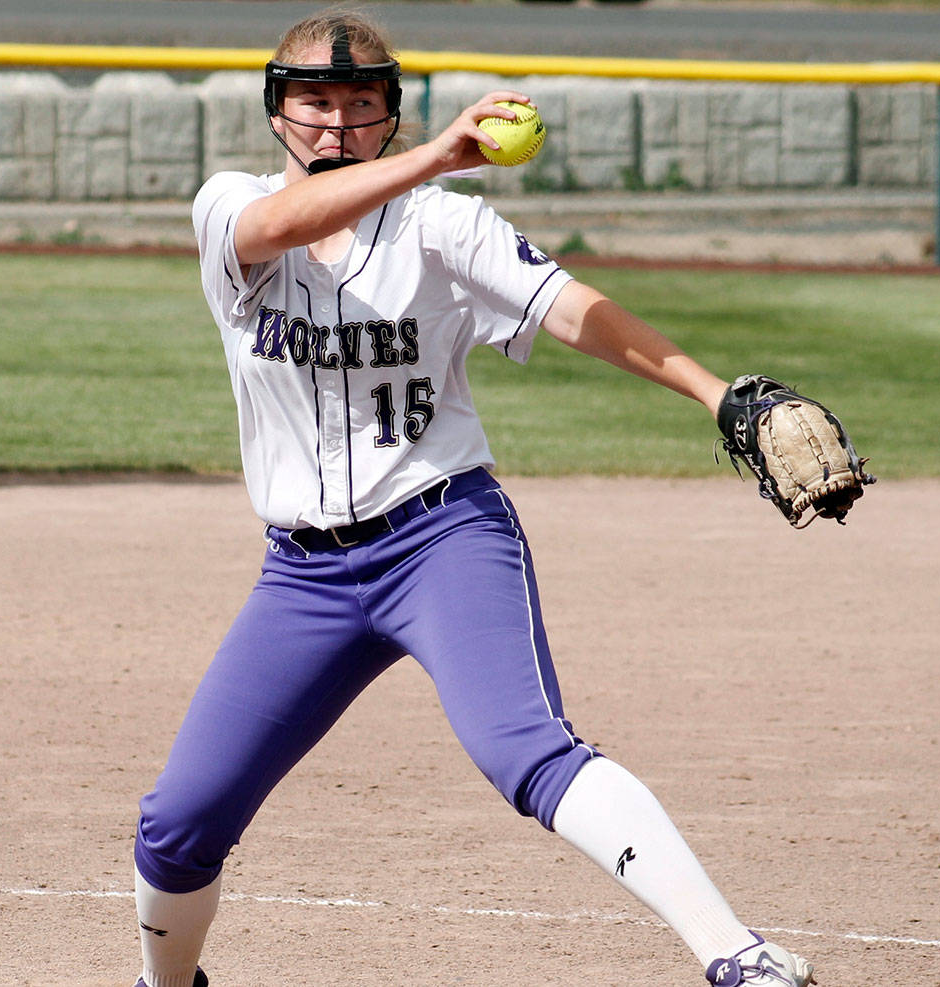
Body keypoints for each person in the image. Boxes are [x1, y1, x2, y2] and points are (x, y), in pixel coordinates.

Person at [132, 10, 816, 987]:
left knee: (525, 751)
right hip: (305, 575)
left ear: (388, 113)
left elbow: (570, 309)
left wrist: (715, 393)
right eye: (312, 102)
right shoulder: (227, 207)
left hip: (439, 535)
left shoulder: (443, 224)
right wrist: (438, 154)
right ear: (276, 111)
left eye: (358, 103)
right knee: (178, 823)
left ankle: (736, 956)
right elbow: (278, 226)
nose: (333, 126)